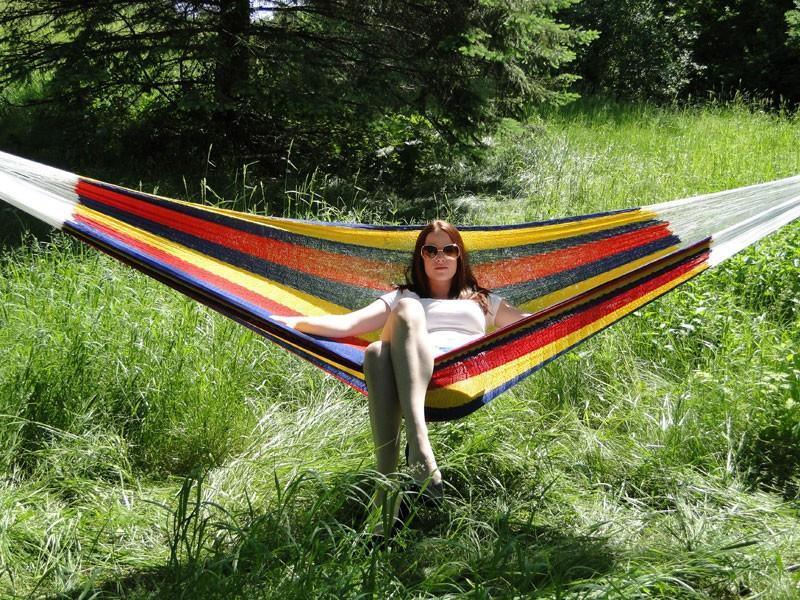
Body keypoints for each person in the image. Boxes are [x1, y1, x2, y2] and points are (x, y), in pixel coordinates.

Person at [272, 220, 529, 530]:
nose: (440, 256)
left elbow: (529, 322)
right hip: (411, 369)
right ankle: (411, 456)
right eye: (430, 249)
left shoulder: (482, 300)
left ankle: (390, 486)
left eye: (449, 249)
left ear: (459, 255)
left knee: (377, 352)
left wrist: (583, 305)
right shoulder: (403, 296)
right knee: (401, 318)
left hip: (456, 374)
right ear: (420, 256)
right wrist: (289, 322)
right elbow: (347, 325)